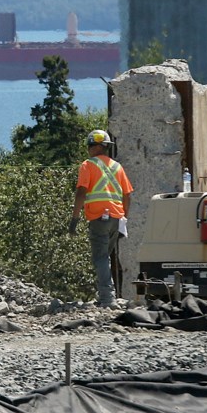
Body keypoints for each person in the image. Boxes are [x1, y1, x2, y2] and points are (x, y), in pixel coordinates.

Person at [68, 130, 133, 308]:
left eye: (90, 146)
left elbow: (81, 191)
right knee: (105, 256)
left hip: (99, 218)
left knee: (100, 258)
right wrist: (124, 218)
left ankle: (107, 298)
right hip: (116, 219)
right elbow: (127, 195)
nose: (88, 149)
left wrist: (74, 219)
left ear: (97, 146)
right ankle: (106, 294)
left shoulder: (88, 165)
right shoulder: (117, 167)